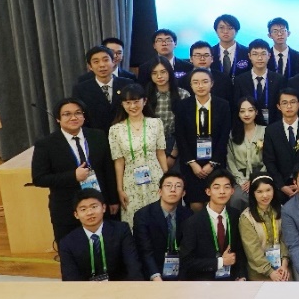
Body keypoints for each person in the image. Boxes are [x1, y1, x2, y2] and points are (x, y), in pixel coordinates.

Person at [32, 97, 119, 243]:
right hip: (66, 209)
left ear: (84, 116)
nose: (73, 117)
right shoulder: (46, 144)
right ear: (58, 119)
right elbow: (39, 178)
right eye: (67, 114)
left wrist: (113, 200)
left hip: (99, 204)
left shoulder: (98, 136)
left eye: (78, 113)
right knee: (72, 250)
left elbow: (108, 170)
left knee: (105, 247)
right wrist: (73, 176)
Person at [108, 83, 167, 229]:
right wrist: (120, 189)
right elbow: (119, 162)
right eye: (128, 102)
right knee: (134, 221)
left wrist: (167, 179)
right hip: (130, 180)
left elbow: (160, 153)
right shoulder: (115, 129)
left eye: (136, 101)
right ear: (122, 104)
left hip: (155, 176)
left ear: (144, 101)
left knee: (159, 218)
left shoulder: (156, 123)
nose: (132, 106)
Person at [173, 68, 232, 210]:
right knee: (195, 205)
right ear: (191, 85)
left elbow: (224, 137)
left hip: (215, 162)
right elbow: (180, 137)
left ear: (212, 83)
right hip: (191, 164)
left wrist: (212, 163)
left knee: (215, 203)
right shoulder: (182, 106)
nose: (200, 86)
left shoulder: (223, 105)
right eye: (196, 82)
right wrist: (192, 163)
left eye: (205, 82)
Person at [59, 189, 143, 281]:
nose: (90, 213)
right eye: (83, 209)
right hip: (86, 288)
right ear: (76, 215)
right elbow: (70, 277)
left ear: (103, 208)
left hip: (119, 286)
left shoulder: (121, 230)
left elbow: (133, 266)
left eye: (94, 207)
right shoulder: (67, 243)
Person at [178, 170, 247, 281]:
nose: (222, 192)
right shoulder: (193, 222)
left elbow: (240, 251)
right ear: (208, 191)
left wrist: (241, 275)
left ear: (232, 191)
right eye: (216, 187)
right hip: (204, 281)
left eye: (226, 187)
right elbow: (186, 261)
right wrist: (220, 262)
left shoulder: (235, 215)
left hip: (232, 280)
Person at [133, 172, 193, 281]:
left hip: (180, 272)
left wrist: (182, 279)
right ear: (160, 191)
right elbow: (145, 251)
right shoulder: (143, 215)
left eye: (178, 186)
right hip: (153, 271)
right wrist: (155, 276)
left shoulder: (188, 215)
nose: (173, 189)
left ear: (183, 193)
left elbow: (188, 251)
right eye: (168, 185)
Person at [262, 87, 299, 200]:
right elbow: (269, 161)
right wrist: (281, 186)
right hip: (281, 185)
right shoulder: (271, 130)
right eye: (284, 103)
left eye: (293, 102)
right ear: (278, 106)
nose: (289, 106)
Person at [239, 173, 290, 281]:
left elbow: (285, 240)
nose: (265, 195)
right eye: (259, 192)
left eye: (268, 190)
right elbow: (252, 251)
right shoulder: (246, 217)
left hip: (282, 267)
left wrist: (284, 264)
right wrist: (270, 272)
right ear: (253, 193)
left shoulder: (282, 210)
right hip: (259, 270)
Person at [147, 56, 191, 171]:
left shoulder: (183, 95)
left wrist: (173, 155)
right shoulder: (145, 97)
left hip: (177, 144)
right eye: (154, 73)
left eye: (163, 72)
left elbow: (186, 128)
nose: (159, 76)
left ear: (170, 72)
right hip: (152, 146)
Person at [72, 45, 129, 132]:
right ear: (90, 66)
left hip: (125, 134)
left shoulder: (127, 84)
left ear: (113, 62)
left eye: (106, 60)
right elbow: (80, 116)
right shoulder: (80, 89)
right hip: (96, 136)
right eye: (96, 62)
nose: (102, 65)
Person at [227, 96, 267, 212]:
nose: (247, 114)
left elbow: (269, 159)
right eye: (242, 111)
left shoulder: (266, 131)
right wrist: (242, 181)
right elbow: (230, 161)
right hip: (240, 178)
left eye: (250, 110)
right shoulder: (232, 134)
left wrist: (255, 179)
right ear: (238, 114)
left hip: (262, 175)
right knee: (237, 197)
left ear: (256, 112)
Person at [234, 39, 284, 125]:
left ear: (269, 55)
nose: (259, 58)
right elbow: (237, 107)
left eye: (263, 54)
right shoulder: (240, 80)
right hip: (248, 126)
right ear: (249, 56)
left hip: (273, 126)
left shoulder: (279, 79)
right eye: (255, 54)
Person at [211, 14, 250, 80]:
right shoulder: (210, 53)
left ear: (236, 31)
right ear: (216, 31)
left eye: (230, 28)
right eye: (221, 28)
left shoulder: (247, 52)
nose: (225, 31)